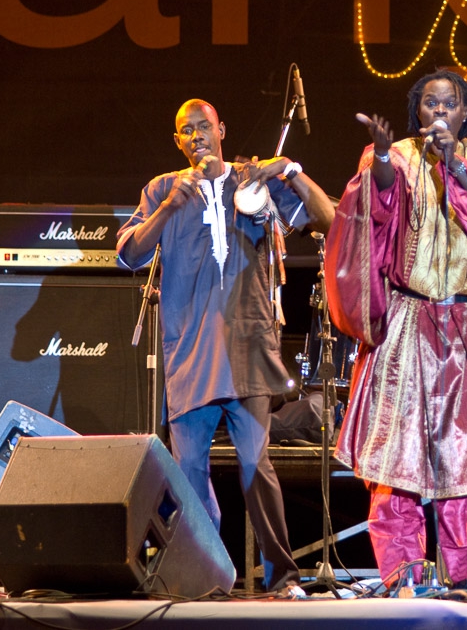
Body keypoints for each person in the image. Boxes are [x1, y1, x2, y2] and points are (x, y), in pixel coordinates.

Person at [324, 69, 467, 592]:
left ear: (465, 111)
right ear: (416, 113)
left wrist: (455, 167)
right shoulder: (395, 156)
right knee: (395, 465)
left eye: (449, 103)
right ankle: (401, 575)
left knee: (463, 466)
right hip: (407, 325)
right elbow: (375, 215)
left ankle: (466, 575)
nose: (439, 112)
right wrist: (378, 158)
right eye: (428, 104)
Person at [117, 98, 335, 596]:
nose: (196, 135)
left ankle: (283, 576)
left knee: (257, 465)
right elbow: (128, 255)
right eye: (185, 130)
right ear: (177, 142)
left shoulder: (250, 181)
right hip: (189, 350)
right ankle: (207, 576)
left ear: (221, 129)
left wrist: (292, 171)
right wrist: (171, 206)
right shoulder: (162, 189)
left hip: (248, 348)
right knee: (188, 470)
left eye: (203, 126)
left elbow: (325, 218)